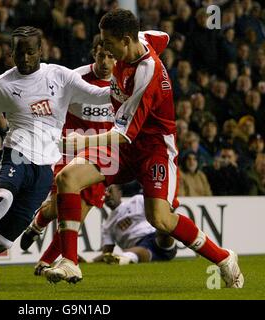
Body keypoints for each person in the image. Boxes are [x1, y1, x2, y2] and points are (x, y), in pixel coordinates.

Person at [42, 9, 243, 288]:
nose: (104, 50)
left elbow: (123, 135)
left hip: (153, 149)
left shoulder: (146, 74)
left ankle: (223, 258)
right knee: (67, 178)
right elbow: (164, 36)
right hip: (124, 146)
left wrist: (76, 142)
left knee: (159, 218)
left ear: (125, 40)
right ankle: (70, 263)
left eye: (109, 44)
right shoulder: (142, 39)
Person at [0, 26, 110, 284]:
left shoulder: (60, 76)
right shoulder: (1, 86)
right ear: (11, 53)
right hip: (17, 153)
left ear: (40, 52)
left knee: (3, 240)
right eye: (19, 53)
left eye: (31, 53)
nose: (25, 59)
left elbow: (99, 95)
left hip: (46, 167)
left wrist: (132, 86)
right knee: (2, 197)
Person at [16, 35, 116, 270]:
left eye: (111, 57)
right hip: (69, 151)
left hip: (104, 156)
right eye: (101, 55)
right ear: (94, 54)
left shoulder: (124, 83)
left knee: (76, 218)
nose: (105, 62)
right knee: (60, 207)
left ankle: (45, 262)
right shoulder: (76, 77)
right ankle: (38, 224)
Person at [93, 185, 177, 265]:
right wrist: (91, 261)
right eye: (103, 193)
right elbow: (107, 254)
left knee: (163, 228)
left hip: (155, 237)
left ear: (120, 192)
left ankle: (125, 258)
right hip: (138, 248)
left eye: (109, 190)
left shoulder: (137, 200)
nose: (107, 194)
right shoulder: (107, 226)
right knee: (133, 252)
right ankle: (126, 257)